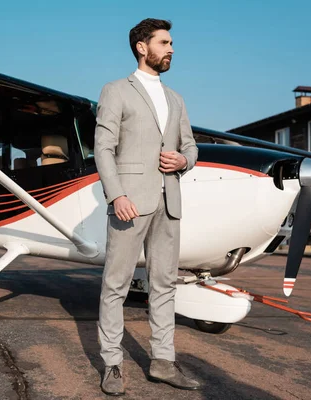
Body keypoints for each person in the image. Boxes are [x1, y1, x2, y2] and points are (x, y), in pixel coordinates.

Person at [94, 18, 200, 396]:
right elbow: (103, 148)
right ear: (142, 46)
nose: (171, 49)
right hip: (129, 202)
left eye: (172, 43)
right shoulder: (115, 91)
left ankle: (163, 362)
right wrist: (116, 195)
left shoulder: (177, 99)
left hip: (168, 202)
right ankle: (112, 364)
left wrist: (184, 161)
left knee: (164, 285)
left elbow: (190, 146)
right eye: (165, 42)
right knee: (116, 285)